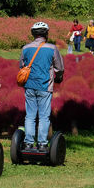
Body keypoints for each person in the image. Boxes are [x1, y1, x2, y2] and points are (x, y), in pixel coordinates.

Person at [19, 22, 64, 150]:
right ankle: (42, 143)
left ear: (33, 34)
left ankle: (28, 143)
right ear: (46, 34)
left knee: (30, 115)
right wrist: (59, 78)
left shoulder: (26, 48)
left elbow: (21, 66)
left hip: (29, 86)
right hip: (45, 87)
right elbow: (59, 68)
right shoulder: (52, 48)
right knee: (44, 116)